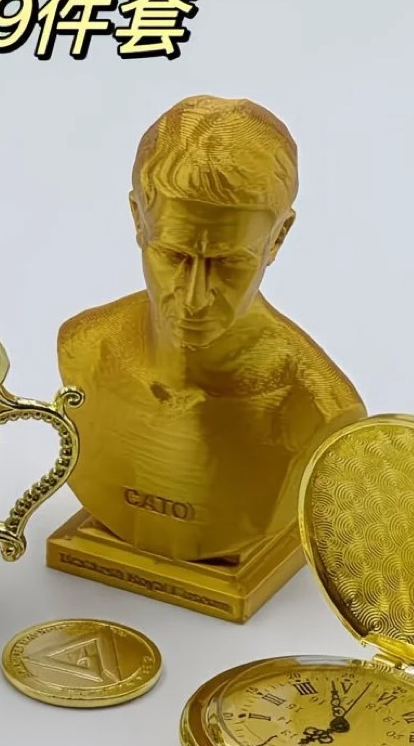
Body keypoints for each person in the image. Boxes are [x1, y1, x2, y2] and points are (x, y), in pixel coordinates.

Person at [58, 95, 365, 566]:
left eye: (227, 262)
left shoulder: (319, 408)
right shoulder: (84, 347)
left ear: (277, 239)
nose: (195, 296)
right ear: (138, 219)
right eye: (174, 255)